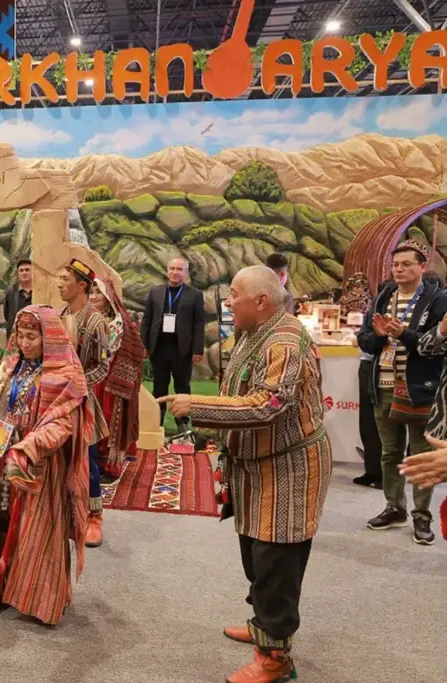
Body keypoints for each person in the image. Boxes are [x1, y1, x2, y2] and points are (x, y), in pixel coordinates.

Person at [158, 265, 332, 683]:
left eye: (234, 294)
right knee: (257, 553)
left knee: (277, 561)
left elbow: (268, 406)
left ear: (261, 300)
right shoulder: (255, 333)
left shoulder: (286, 341)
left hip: (288, 468)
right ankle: (263, 627)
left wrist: (196, 408)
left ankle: (276, 657)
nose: (227, 301)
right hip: (256, 465)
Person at [0, 305, 92, 625]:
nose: (25, 343)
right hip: (1, 461)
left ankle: (42, 600)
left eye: (33, 337)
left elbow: (60, 424)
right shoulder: (11, 365)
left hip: (37, 467)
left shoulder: (65, 376)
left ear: (50, 338)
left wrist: (29, 449)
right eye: (21, 336)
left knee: (38, 531)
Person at [357, 239, 447, 545]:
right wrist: (380, 336)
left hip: (420, 387)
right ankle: (395, 507)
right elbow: (365, 341)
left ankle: (422, 514)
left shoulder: (437, 299)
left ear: (423, 266)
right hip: (382, 383)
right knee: (390, 452)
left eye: (406, 264)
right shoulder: (383, 297)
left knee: (422, 455)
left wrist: (403, 334)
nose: (399, 269)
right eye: (396, 264)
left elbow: (438, 345)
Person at [57, 259, 112, 547]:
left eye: (64, 279)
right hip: (57, 401)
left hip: (81, 402)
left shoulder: (95, 321)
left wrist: (76, 384)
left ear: (81, 284)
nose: (59, 283)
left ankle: (94, 517)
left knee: (87, 461)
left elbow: (102, 367)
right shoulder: (59, 315)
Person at [90, 277, 145, 482]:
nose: (94, 297)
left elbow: (132, 351)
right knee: (94, 420)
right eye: (91, 293)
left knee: (110, 419)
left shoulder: (119, 322)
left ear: (108, 297)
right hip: (94, 378)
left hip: (112, 380)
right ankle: (94, 463)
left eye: (99, 293)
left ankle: (111, 467)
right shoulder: (86, 317)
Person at [140, 257, 205, 432]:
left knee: (182, 386)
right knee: (159, 385)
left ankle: (183, 422)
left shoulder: (195, 294)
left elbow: (199, 323)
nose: (175, 272)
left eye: (179, 269)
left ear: (186, 272)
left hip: (182, 349)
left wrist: (198, 349)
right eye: (172, 268)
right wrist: (144, 344)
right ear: (167, 270)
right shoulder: (156, 292)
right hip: (159, 348)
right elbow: (147, 319)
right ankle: (157, 418)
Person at [341, 273, 382, 489]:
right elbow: (364, 339)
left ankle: (384, 475)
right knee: (367, 421)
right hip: (367, 366)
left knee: (383, 426)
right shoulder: (375, 308)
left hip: (385, 370)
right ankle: (372, 469)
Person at [3, 259, 34, 338]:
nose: (24, 273)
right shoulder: (11, 291)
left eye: (27, 270)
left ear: (33, 271)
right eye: (21, 270)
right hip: (14, 336)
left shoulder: (39, 291)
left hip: (34, 336)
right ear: (18, 273)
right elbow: (7, 314)